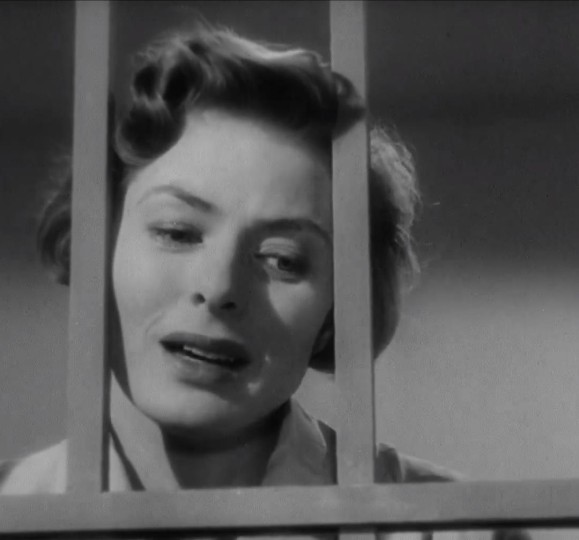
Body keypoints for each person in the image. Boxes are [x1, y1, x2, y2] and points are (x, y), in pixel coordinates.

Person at [0, 23, 529, 540]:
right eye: (177, 232)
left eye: (283, 260)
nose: (220, 287)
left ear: (336, 311)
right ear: (96, 246)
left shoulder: (458, 529)